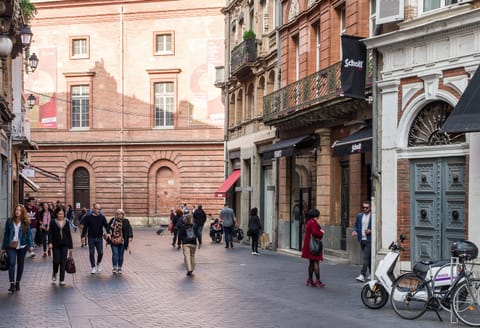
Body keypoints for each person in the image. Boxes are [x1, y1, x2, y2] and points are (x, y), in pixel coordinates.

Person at [1, 204, 34, 294]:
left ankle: (18, 282)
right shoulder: (9, 221)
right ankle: (12, 284)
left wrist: (31, 246)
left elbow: (29, 235)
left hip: (22, 246)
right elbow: (6, 235)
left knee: (20, 264)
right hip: (11, 246)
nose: (17, 211)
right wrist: (3, 247)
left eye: (19, 210)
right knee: (11, 263)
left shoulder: (25, 222)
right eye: (16, 210)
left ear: (22, 212)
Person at [81, 203, 110, 274]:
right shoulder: (88, 217)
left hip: (99, 238)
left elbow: (106, 226)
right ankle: (93, 267)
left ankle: (98, 262)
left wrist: (108, 233)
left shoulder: (102, 217)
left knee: (100, 253)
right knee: (91, 253)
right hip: (91, 238)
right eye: (97, 209)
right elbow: (85, 227)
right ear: (93, 209)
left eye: (100, 209)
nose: (99, 210)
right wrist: (82, 236)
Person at [48, 207, 73, 286]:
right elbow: (50, 233)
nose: (61, 215)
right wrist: (50, 242)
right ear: (56, 214)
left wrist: (70, 247)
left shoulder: (66, 222)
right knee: (56, 261)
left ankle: (62, 279)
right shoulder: (53, 222)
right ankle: (55, 272)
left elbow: (69, 235)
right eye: (59, 214)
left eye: (62, 214)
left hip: (64, 245)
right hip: (56, 245)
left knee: (63, 262)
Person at [301, 208, 325, 288]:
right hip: (314, 246)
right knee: (316, 263)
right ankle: (318, 280)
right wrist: (321, 232)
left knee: (311, 263)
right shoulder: (313, 222)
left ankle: (310, 279)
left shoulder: (309, 222)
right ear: (316, 215)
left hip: (309, 245)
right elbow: (315, 233)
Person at [107, 209, 133, 275]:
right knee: (115, 254)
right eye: (118, 214)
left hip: (122, 241)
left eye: (121, 214)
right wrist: (108, 233)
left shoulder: (126, 221)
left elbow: (129, 229)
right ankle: (114, 267)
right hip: (114, 241)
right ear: (116, 214)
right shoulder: (113, 220)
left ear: (123, 215)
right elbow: (108, 228)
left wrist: (130, 236)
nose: (119, 215)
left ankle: (120, 268)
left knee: (121, 255)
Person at [352, 201, 372, 282]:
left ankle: (362, 275)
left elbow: (377, 226)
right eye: (363, 207)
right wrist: (355, 231)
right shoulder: (359, 215)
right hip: (362, 239)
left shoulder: (373, 216)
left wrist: (371, 231)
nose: (365, 209)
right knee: (368, 258)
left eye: (366, 207)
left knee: (365, 258)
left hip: (369, 240)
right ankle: (371, 273)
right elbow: (356, 225)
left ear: (370, 208)